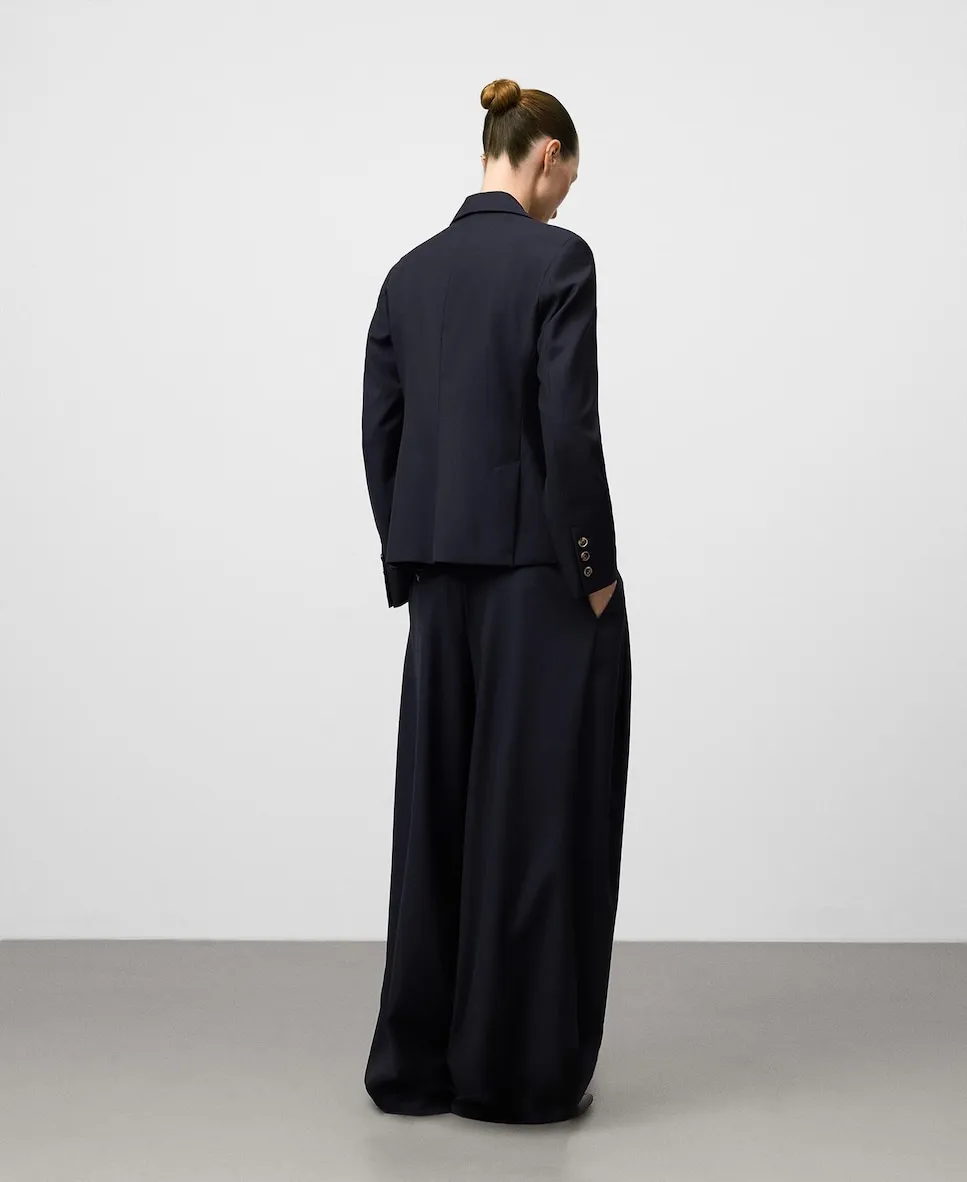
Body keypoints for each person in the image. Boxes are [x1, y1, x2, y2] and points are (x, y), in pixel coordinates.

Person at [361, 77, 631, 1125]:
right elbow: (568, 426)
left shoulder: (408, 274)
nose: (565, 197)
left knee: (435, 819)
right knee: (533, 820)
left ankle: (417, 1065)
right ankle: (512, 1073)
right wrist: (592, 566)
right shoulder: (557, 259)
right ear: (545, 153)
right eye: (568, 175)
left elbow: (381, 430)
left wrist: (409, 559)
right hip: (533, 581)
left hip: (438, 582)